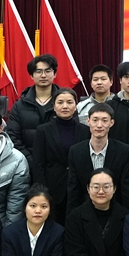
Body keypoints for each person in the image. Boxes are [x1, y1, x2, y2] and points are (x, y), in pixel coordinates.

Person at [32, 88, 91, 224]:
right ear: (54, 106)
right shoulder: (43, 130)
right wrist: (42, 191)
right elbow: (38, 164)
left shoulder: (85, 131)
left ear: (76, 106)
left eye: (69, 102)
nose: (65, 106)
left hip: (78, 187)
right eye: (60, 102)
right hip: (52, 188)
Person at [67, 102, 129, 212]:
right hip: (84, 212)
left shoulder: (124, 151)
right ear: (88, 121)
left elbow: (128, 190)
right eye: (95, 120)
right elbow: (73, 190)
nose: (99, 125)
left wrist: (128, 218)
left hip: (115, 211)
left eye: (104, 120)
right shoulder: (75, 151)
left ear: (111, 123)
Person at [6, 54, 61, 161]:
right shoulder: (19, 106)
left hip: (59, 164)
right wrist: (30, 160)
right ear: (31, 75)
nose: (43, 75)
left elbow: (74, 134)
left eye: (48, 71)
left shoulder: (65, 103)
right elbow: (13, 137)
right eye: (38, 71)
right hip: (28, 162)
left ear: (55, 74)